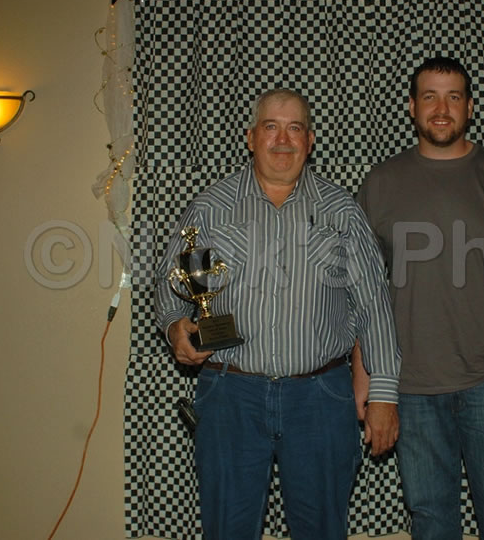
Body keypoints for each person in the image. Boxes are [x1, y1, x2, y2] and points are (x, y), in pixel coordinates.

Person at [154, 88, 401, 540]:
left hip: (320, 397)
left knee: (323, 530)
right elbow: (170, 286)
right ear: (251, 137)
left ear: (310, 139)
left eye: (294, 128)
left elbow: (374, 304)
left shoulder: (341, 211)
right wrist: (175, 329)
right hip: (230, 394)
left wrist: (383, 394)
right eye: (271, 127)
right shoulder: (210, 207)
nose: (282, 140)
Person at [353, 57, 484, 539]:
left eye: (453, 97)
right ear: (411, 107)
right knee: (430, 522)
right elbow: (364, 289)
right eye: (429, 97)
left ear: (470, 106)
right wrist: (365, 375)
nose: (441, 109)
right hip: (411, 385)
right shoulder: (381, 182)